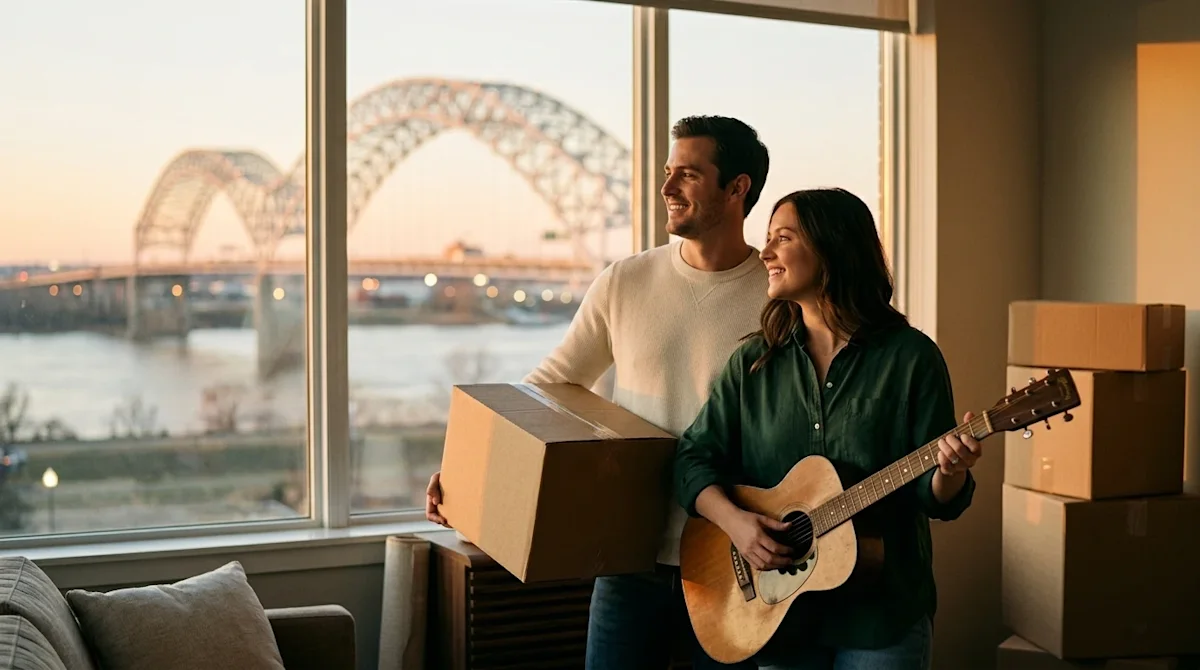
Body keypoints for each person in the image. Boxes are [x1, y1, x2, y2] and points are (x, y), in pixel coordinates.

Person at [426, 115, 771, 669]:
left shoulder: (779, 299)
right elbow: (547, 389)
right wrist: (466, 474)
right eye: (666, 172)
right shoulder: (624, 281)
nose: (666, 188)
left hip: (735, 566)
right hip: (627, 558)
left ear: (737, 188)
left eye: (688, 174)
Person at [672, 187, 982, 670]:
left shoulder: (910, 358)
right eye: (768, 237)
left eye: (783, 238)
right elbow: (692, 459)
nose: (767, 252)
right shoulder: (753, 363)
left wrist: (951, 470)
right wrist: (737, 524)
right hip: (779, 613)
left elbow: (937, 498)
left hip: (881, 615)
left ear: (832, 248)